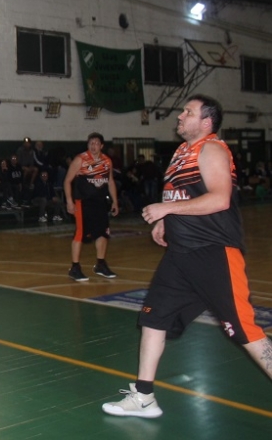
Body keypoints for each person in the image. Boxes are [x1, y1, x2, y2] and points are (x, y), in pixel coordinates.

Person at [102, 95, 272, 418]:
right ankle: (144, 396)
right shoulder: (182, 152)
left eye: (187, 112)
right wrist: (168, 221)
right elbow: (183, 194)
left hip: (214, 253)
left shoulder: (213, 149)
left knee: (245, 330)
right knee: (153, 318)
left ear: (206, 122)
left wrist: (166, 209)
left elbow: (220, 199)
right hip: (180, 256)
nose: (180, 115)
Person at [63, 132, 119, 281]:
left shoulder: (107, 161)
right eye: (91, 143)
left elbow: (111, 182)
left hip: (100, 202)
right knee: (80, 234)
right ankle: (74, 268)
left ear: (101, 145)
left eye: (96, 143)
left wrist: (115, 201)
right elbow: (67, 181)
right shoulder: (80, 159)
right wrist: (69, 201)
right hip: (83, 202)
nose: (93, 146)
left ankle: (100, 264)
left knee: (103, 233)